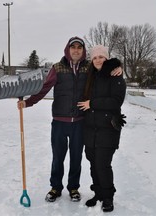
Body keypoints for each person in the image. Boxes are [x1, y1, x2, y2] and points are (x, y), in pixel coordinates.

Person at [17, 37, 122, 203]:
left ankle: (73, 187)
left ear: (83, 50)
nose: (76, 50)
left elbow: (104, 68)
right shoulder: (57, 68)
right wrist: (28, 102)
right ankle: (55, 187)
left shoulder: (88, 67)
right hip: (59, 121)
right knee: (58, 157)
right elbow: (44, 88)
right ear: (67, 49)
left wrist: (117, 66)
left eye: (79, 48)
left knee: (76, 158)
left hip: (80, 122)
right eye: (73, 47)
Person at [77, 45, 126, 212]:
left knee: (103, 164)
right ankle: (97, 193)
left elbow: (116, 101)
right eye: (95, 57)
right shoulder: (91, 76)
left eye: (101, 57)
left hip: (108, 128)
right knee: (92, 163)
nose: (98, 60)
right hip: (90, 129)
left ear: (107, 58)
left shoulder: (115, 76)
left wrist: (92, 103)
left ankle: (108, 197)